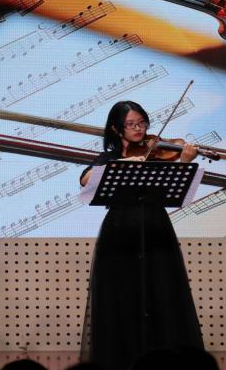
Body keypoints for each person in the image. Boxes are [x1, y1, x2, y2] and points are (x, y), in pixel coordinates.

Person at [80, 100, 204, 370]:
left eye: (142, 123)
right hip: (120, 230)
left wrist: (184, 161)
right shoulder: (109, 158)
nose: (139, 129)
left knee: (162, 291)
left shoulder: (157, 153)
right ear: (116, 129)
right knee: (123, 295)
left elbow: (177, 192)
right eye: (131, 125)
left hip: (155, 227)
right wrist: (126, 163)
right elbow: (86, 179)